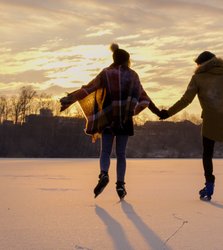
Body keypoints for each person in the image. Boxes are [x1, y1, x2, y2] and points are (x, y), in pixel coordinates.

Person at [60, 43, 161, 199]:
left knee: (105, 151)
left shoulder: (106, 73)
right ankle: (120, 185)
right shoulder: (133, 75)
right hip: (125, 119)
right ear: (127, 60)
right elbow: (144, 97)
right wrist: (159, 112)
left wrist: (71, 98)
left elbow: (89, 88)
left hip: (108, 118)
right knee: (121, 154)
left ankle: (103, 174)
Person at [160, 51, 223, 201]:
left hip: (211, 121)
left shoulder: (198, 78)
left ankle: (209, 185)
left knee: (207, 154)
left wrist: (168, 113)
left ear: (202, 64)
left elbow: (186, 100)